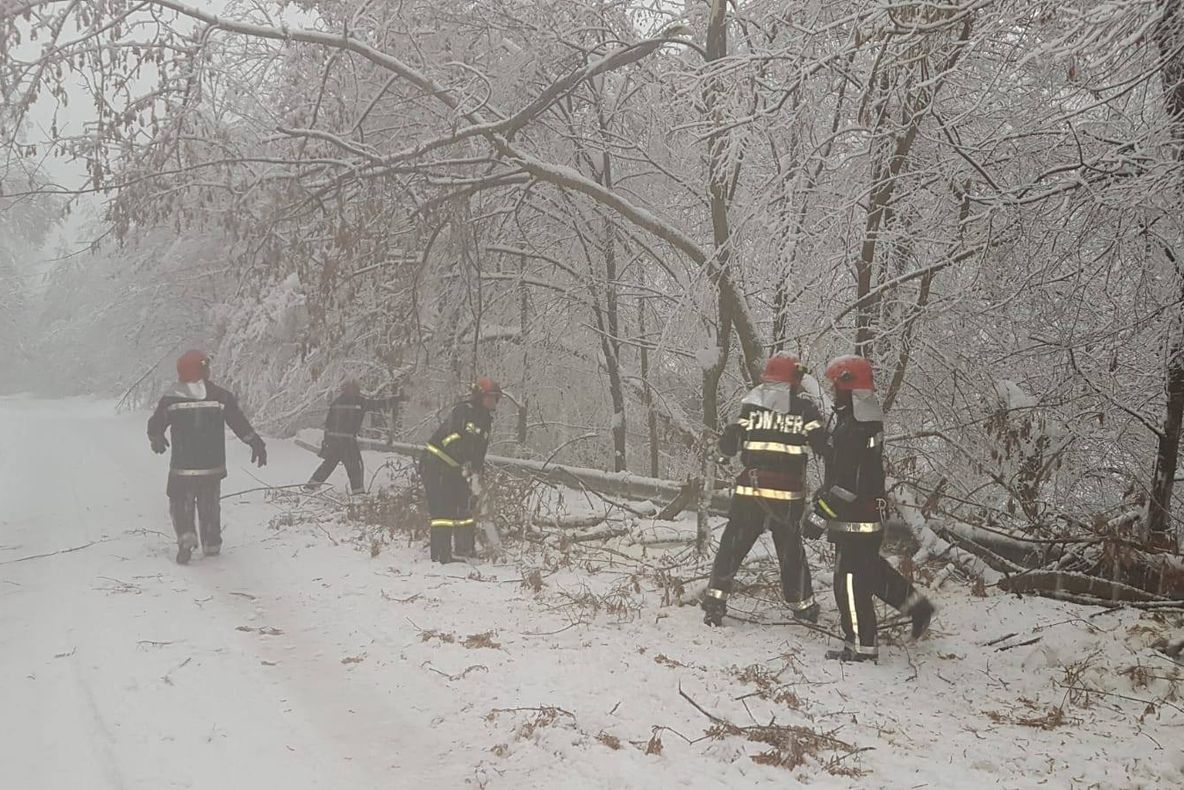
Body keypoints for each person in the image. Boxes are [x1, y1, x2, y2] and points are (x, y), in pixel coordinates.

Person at [809, 354, 934, 662]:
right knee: (871, 571)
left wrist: (817, 515)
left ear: (848, 388)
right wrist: (820, 441)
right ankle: (918, 607)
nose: (831, 391)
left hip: (856, 519)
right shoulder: (858, 420)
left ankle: (861, 646)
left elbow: (848, 486)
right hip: (864, 517)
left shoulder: (855, 428)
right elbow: (847, 464)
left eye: (835, 386)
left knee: (849, 582)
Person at [701, 353, 829, 627]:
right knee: (791, 552)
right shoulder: (805, 409)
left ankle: (714, 603)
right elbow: (824, 446)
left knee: (732, 548)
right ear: (794, 381)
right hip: (788, 498)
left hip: (751, 494)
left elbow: (728, 447)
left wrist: (719, 453)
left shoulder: (751, 405)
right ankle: (803, 607)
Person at [147, 350, 267, 564]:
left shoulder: (171, 397)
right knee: (209, 503)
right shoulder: (220, 396)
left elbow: (156, 423)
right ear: (202, 370)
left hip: (183, 466)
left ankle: (186, 536)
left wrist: (155, 436)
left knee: (179, 501)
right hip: (212, 465)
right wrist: (255, 442)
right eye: (206, 367)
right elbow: (238, 422)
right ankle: (211, 543)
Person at [419, 377, 500, 563]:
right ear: (480, 396)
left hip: (456, 468)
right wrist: (463, 457)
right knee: (442, 510)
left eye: (495, 398)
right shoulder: (463, 411)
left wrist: (477, 471)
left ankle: (465, 549)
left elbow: (480, 448)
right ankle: (441, 555)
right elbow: (450, 438)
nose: (493, 401)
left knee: (465, 507)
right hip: (436, 464)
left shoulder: (485, 419)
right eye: (490, 397)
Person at [304, 379, 405, 497]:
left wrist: (327, 442)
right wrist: (397, 399)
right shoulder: (359, 401)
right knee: (355, 466)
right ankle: (358, 493)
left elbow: (328, 424)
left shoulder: (337, 402)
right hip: (347, 441)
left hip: (334, 440)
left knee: (329, 463)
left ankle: (311, 486)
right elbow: (378, 404)